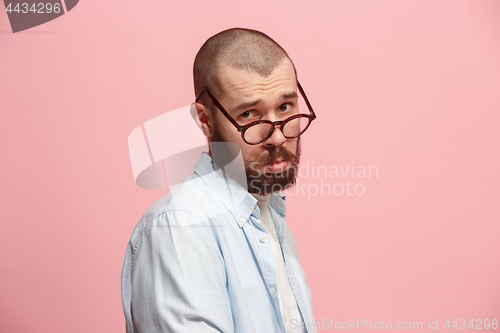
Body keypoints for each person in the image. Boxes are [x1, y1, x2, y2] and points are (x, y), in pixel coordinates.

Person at [121, 27, 318, 333]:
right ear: (205, 120)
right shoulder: (182, 228)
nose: (278, 136)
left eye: (284, 107)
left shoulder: (270, 213)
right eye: (250, 115)